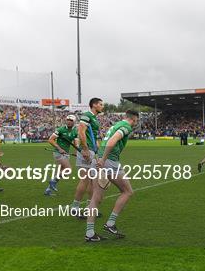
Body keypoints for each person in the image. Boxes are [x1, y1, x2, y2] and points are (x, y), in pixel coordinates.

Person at [85, 110, 139, 241]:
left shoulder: (116, 124)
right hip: (109, 161)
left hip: (98, 160)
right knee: (127, 191)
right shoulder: (126, 127)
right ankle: (110, 223)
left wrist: (100, 158)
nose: (136, 123)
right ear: (133, 119)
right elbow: (113, 140)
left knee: (96, 198)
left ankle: (90, 233)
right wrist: (104, 159)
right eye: (136, 121)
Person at [71, 98, 103, 216]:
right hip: (86, 150)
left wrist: (98, 153)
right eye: (100, 104)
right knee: (85, 180)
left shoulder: (94, 118)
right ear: (94, 105)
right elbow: (81, 132)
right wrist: (84, 149)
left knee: (92, 181)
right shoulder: (87, 115)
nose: (102, 106)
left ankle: (90, 207)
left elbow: (95, 137)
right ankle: (75, 207)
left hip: (92, 151)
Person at [44, 115, 79, 196]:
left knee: (60, 173)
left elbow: (76, 142)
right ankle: (52, 181)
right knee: (68, 169)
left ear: (74, 122)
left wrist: (76, 151)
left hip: (66, 153)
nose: (69, 121)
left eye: (71, 120)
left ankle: (48, 190)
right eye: (68, 120)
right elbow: (50, 140)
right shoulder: (61, 129)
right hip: (58, 152)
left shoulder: (75, 131)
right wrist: (59, 148)